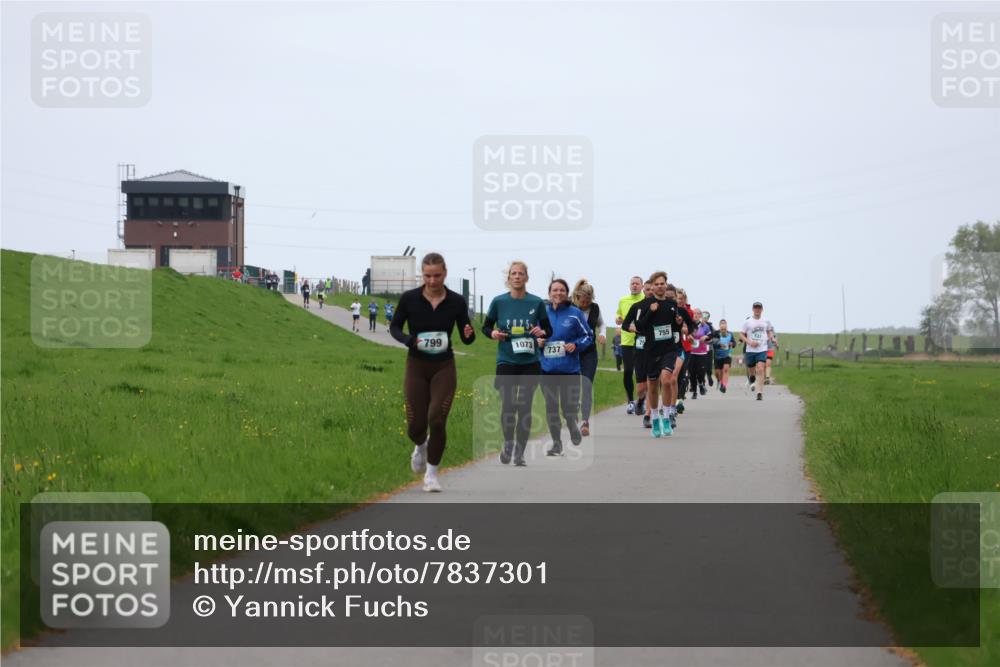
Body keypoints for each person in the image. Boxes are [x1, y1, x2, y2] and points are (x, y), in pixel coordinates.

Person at [389, 253, 475, 492]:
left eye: (437, 275)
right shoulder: (409, 299)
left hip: (444, 367)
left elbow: (467, 336)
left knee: (437, 419)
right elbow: (394, 327)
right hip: (416, 365)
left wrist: (468, 334)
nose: (432, 280)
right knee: (416, 426)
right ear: (422, 275)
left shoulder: (457, 301)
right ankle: (420, 446)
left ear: (445, 273)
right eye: (427, 276)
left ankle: (432, 475)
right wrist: (408, 340)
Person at [483, 261, 552, 467]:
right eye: (513, 273)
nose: (517, 277)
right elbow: (486, 327)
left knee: (524, 406)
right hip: (506, 360)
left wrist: (543, 332)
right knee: (508, 405)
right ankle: (508, 443)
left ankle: (519, 452)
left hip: (530, 361)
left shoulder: (536, 302)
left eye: (521, 274)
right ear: (508, 278)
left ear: (526, 278)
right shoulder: (499, 302)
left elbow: (548, 329)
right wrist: (494, 333)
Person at [636, 272, 693, 438]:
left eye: (663, 283)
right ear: (652, 286)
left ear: (665, 285)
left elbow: (684, 326)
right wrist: (650, 313)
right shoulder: (645, 304)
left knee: (667, 380)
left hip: (669, 349)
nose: (660, 286)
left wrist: (679, 324)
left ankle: (667, 417)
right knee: (653, 386)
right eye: (657, 284)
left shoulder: (672, 305)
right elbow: (639, 325)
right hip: (651, 350)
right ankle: (654, 418)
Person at [540, 279, 593, 456]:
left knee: (568, 409)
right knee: (551, 408)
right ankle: (557, 444)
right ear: (549, 293)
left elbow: (588, 336)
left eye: (562, 290)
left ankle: (572, 425)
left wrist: (575, 346)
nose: (558, 293)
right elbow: (531, 334)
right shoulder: (542, 313)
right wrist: (537, 341)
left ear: (567, 293)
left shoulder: (575, 314)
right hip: (547, 370)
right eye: (555, 290)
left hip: (569, 370)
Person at [571, 279, 605, 437]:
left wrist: (603, 334)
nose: (585, 304)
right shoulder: (570, 308)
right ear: (577, 297)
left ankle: (585, 422)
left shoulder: (595, 308)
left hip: (589, 352)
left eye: (588, 301)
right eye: (582, 301)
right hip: (572, 351)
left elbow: (601, 324)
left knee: (587, 384)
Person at [622, 281, 654, 428]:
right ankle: (640, 401)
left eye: (652, 289)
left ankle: (648, 415)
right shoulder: (637, 307)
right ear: (644, 290)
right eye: (648, 289)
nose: (650, 292)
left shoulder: (662, 306)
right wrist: (632, 328)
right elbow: (625, 324)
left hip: (657, 349)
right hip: (640, 347)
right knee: (641, 387)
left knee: (652, 382)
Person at [614, 276, 645, 414]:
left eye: (637, 284)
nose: (634, 286)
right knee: (627, 371)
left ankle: (642, 401)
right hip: (627, 341)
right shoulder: (623, 300)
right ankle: (630, 401)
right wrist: (618, 319)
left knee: (641, 373)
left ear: (642, 286)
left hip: (642, 341)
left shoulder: (645, 300)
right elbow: (618, 315)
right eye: (632, 284)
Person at [739, 301, 776, 401]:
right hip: (750, 349)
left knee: (760, 368)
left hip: (762, 349)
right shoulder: (747, 322)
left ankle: (759, 392)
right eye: (755, 308)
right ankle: (751, 377)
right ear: (753, 309)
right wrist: (749, 342)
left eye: (759, 308)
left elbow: (769, 331)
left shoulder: (766, 321)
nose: (757, 310)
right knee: (751, 370)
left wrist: (772, 338)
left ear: (762, 310)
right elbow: (741, 334)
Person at [688, 308, 712, 398]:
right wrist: (689, 336)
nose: (696, 315)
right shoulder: (689, 324)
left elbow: (710, 335)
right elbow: (685, 333)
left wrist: (705, 336)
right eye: (695, 313)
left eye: (698, 314)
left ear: (701, 316)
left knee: (701, 372)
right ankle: (694, 392)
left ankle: (701, 383)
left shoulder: (704, 326)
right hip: (691, 352)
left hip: (702, 352)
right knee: (692, 373)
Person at [713, 319, 735, 392]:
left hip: (727, 355)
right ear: (719, 327)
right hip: (718, 356)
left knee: (725, 369)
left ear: (726, 327)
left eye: (724, 328)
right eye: (722, 329)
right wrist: (719, 345)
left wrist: (732, 344)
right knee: (718, 373)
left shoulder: (730, 334)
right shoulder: (716, 333)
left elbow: (734, 343)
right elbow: (713, 343)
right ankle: (719, 380)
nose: (723, 330)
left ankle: (724, 385)